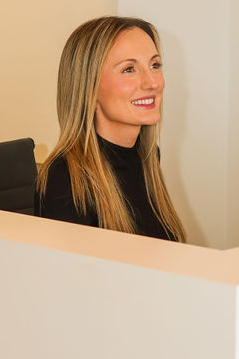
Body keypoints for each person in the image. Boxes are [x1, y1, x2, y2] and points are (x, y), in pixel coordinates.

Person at [37, 16, 186, 241]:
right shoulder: (65, 179)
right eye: (129, 69)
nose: (153, 83)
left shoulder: (147, 156)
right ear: (89, 86)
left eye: (154, 65)